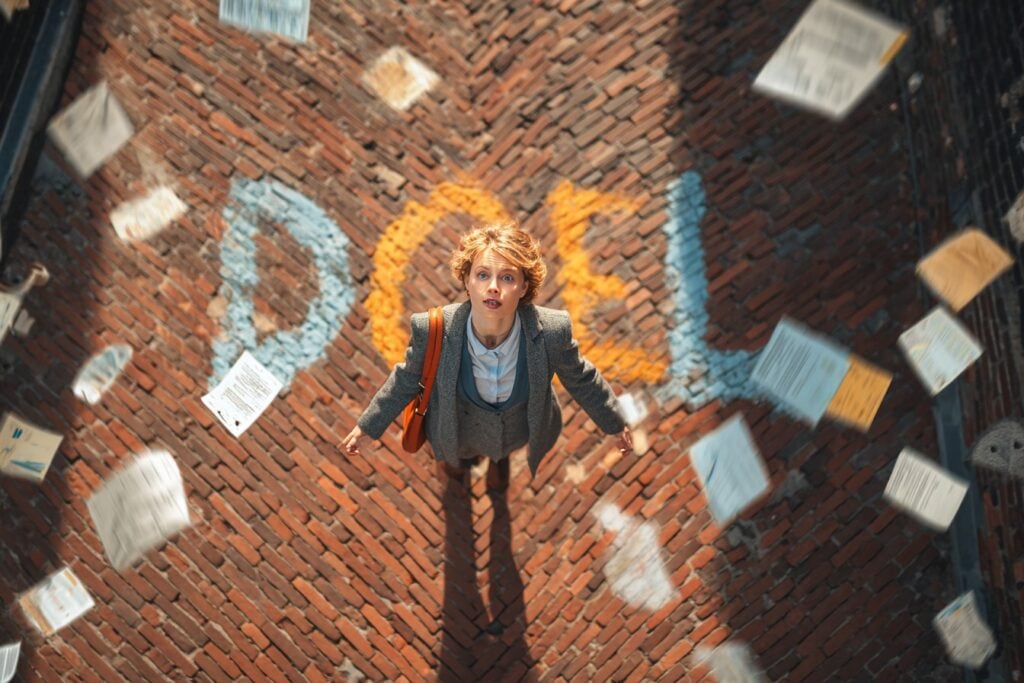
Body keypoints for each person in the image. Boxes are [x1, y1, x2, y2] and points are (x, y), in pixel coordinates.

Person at [342, 221, 632, 490]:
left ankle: (499, 462)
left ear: (523, 288)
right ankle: (460, 466)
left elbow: (582, 380)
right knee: (458, 458)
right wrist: (369, 426)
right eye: (483, 275)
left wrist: (614, 420)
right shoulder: (434, 330)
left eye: (507, 277)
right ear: (467, 280)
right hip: (458, 425)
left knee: (504, 452)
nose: (493, 286)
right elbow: (405, 380)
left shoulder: (552, 332)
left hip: (517, 427)